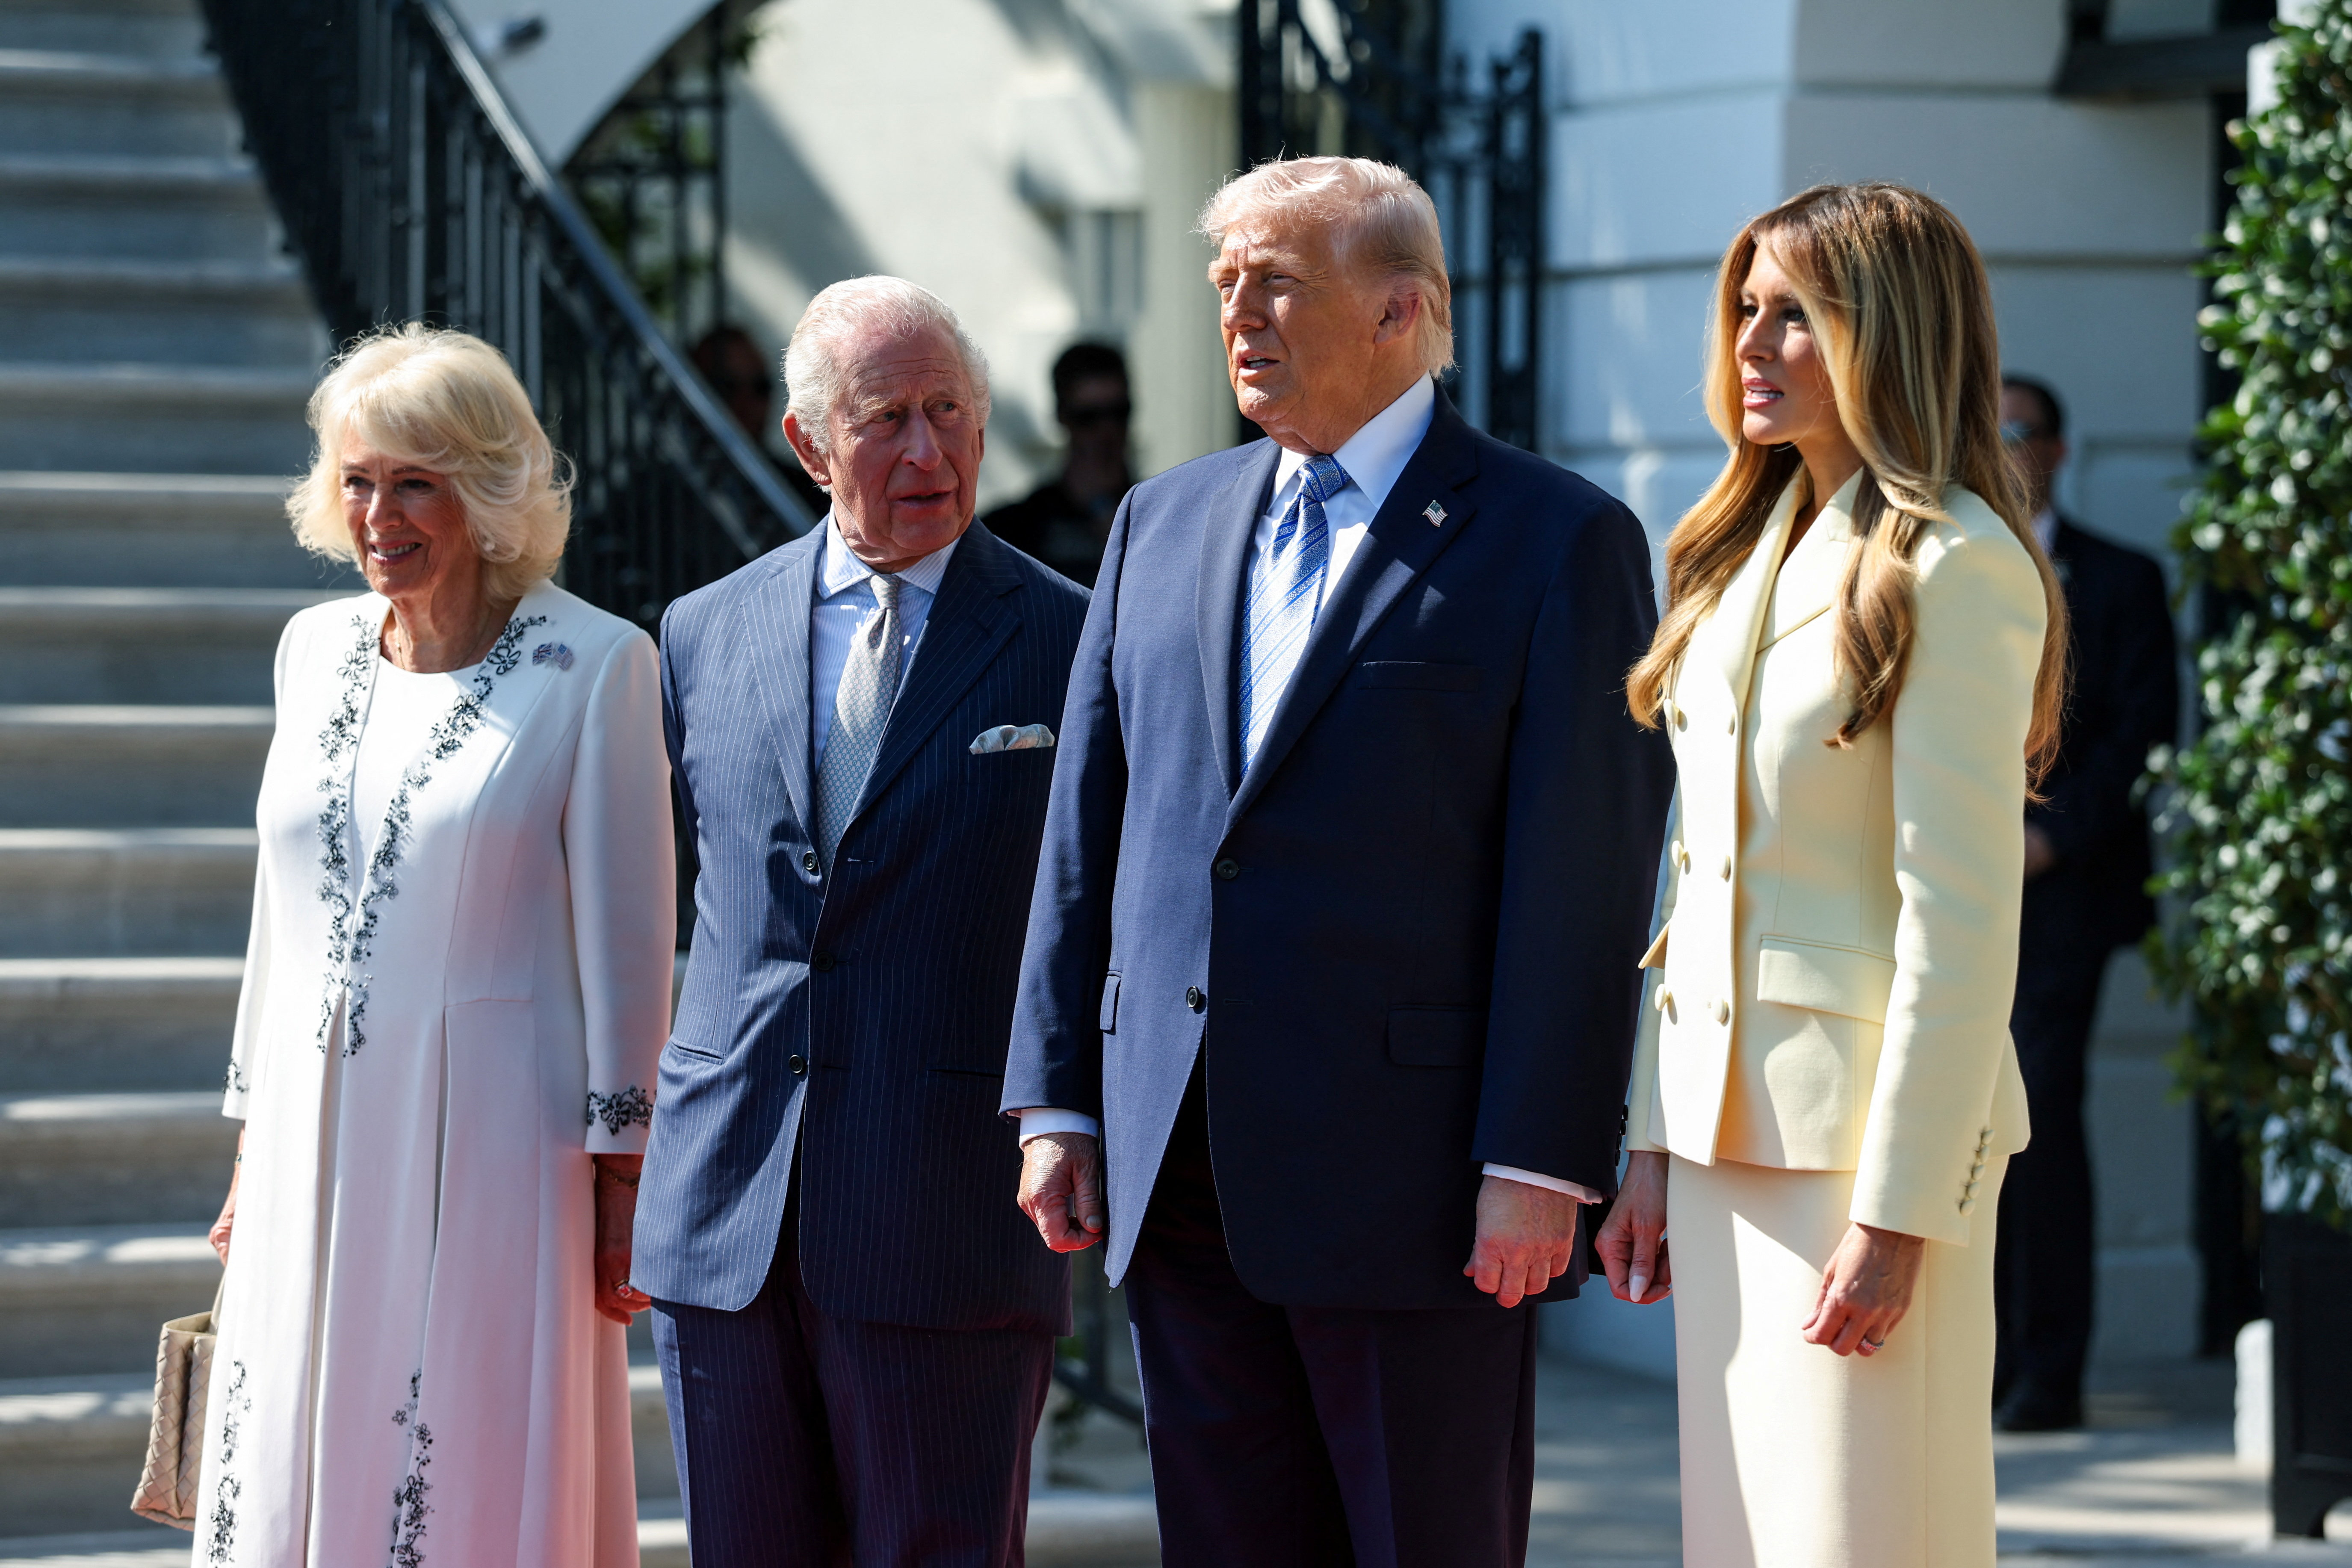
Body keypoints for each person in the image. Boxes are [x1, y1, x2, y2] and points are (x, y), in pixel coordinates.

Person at [1004, 156, 1674, 1568]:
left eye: (1278, 283)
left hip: (1421, 1188)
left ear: (1402, 309)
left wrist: (1543, 1157)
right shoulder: (1160, 521)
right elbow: (1092, 828)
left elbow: (1585, 873)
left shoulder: (1559, 539)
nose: (1238, 314)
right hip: (1179, 1164)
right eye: (1226, 283)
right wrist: (1058, 1093)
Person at [1595, 183, 2070, 1567]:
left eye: (1795, 315)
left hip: (1865, 1161)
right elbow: (1699, 882)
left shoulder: (1957, 566)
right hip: (1722, 1139)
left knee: (1856, 1543)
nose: (1751, 342)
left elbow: (1963, 921)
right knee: (1742, 1542)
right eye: (1745, 308)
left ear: (1891, 334)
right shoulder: (1739, 554)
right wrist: (1650, 1140)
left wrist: (1899, 1210)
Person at [196, 324, 675, 1567]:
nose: (379, 513)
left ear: (491, 487)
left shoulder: (599, 665)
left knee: (462, 1453)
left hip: (499, 1149)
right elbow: (278, 911)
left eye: (417, 480)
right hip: (312, 1131)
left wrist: (622, 1180)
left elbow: (632, 950)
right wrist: (254, 1140)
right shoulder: (310, 651)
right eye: (358, 479)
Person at [634, 276, 1090, 1568]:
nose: (929, 451)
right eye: (887, 417)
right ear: (808, 441)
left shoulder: (1072, 637)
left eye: (951, 412)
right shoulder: (699, 633)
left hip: (945, 1216)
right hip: (729, 1218)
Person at [1992, 373, 2178, 1432]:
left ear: (2058, 451)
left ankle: (2045, 1371)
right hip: (1951, 892)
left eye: (2017, 431)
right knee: (1961, 1131)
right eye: (1988, 429)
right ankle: (1976, 1358)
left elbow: (2141, 735)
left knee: (2039, 1121)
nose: (2002, 448)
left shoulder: (2118, 578)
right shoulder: (1932, 565)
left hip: (2060, 897)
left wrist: (2047, 838)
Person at [985, 341, 1134, 586]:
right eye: (1089, 417)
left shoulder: (1154, 516)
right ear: (1062, 416)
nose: (1107, 431)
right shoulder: (1016, 526)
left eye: (1119, 413)